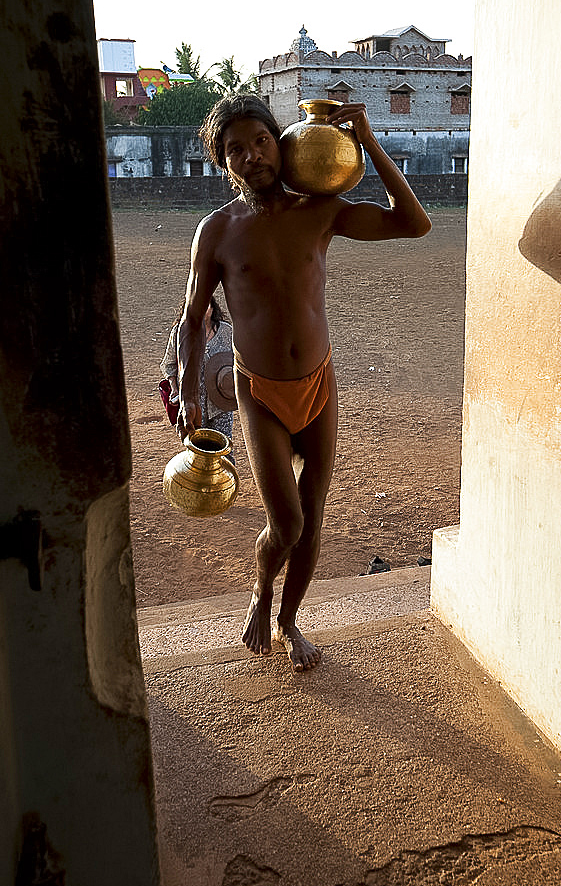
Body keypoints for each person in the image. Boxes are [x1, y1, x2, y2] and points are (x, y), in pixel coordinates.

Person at [177, 94, 431, 672]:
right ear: (223, 162)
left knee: (312, 519)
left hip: (318, 383)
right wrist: (191, 399)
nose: (251, 156)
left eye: (261, 141)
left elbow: (415, 224)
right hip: (259, 391)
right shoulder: (216, 231)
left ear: (282, 141)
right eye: (234, 149)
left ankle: (291, 623)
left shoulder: (321, 211)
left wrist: (365, 136)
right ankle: (261, 592)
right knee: (285, 524)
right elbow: (193, 318)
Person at [161, 295, 235, 449]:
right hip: (193, 404)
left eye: (206, 305)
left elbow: (238, 360)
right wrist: (175, 390)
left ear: (213, 308)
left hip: (222, 401)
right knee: (197, 450)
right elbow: (169, 365)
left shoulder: (226, 331)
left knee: (224, 450)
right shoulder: (180, 332)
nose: (202, 309)